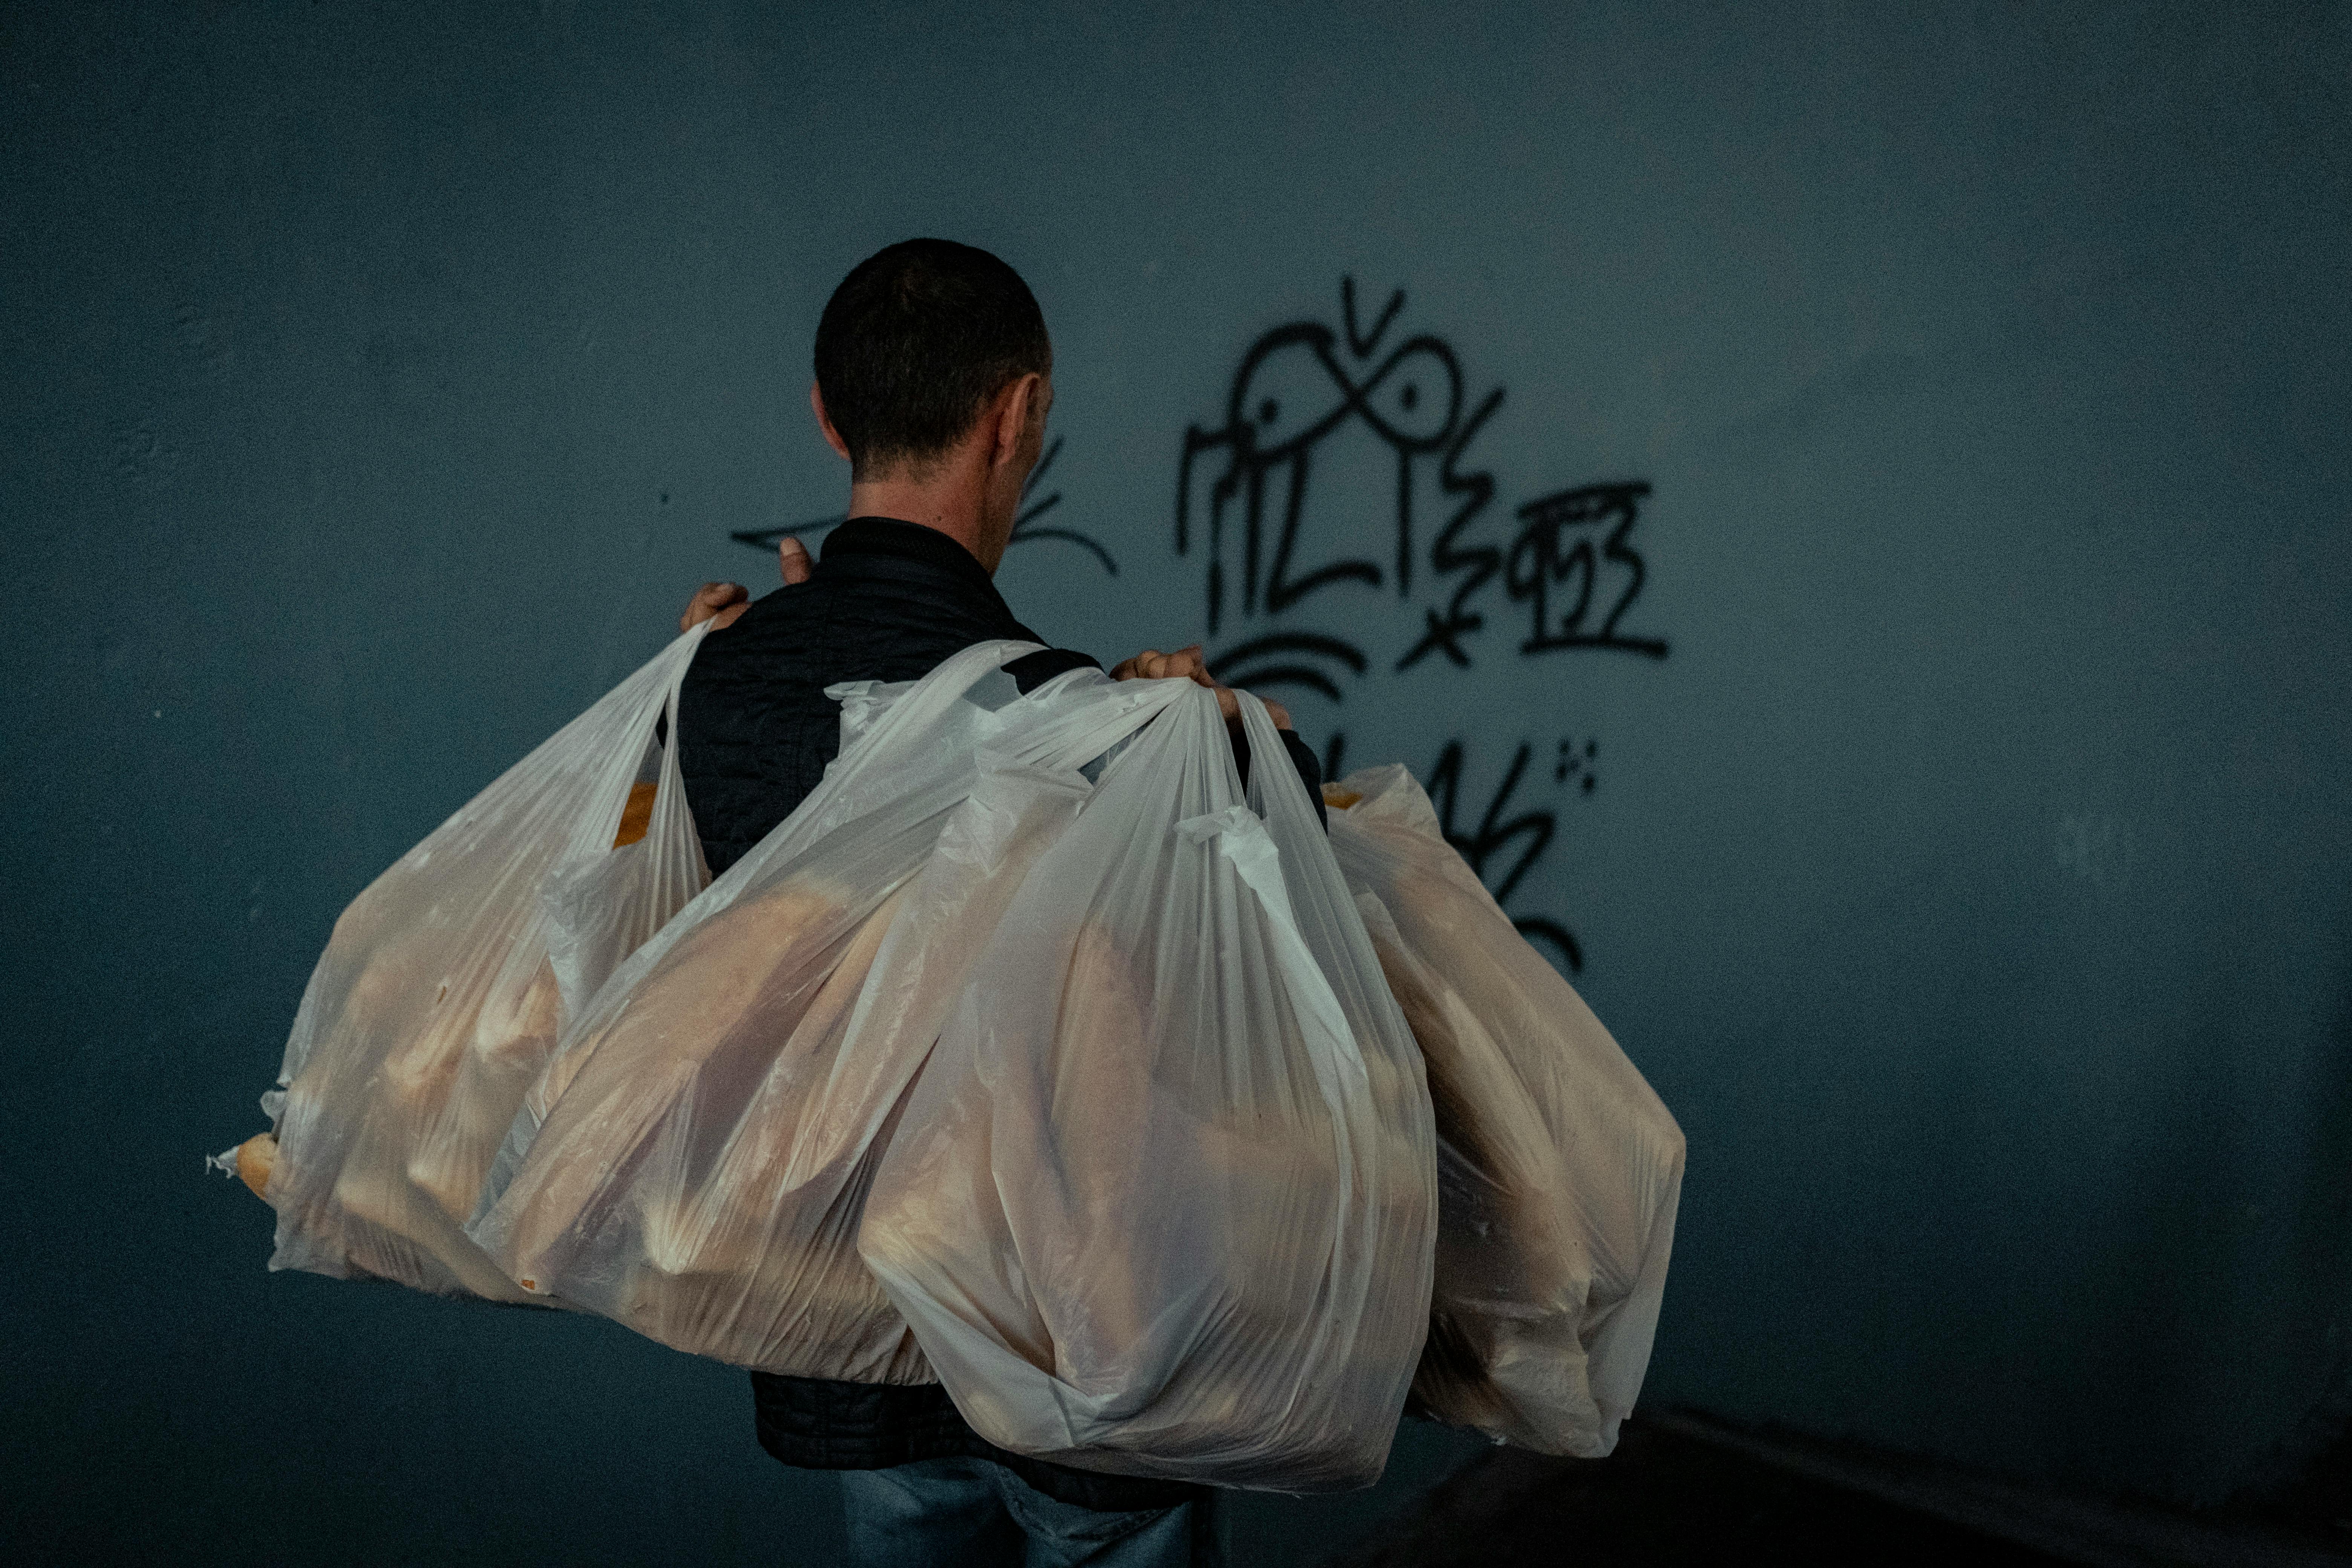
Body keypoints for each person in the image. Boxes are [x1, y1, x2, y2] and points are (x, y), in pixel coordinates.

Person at [670, 239, 1326, 1568]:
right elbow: (1288, 889)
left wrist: (796, 669)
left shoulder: (711, 687)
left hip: (845, 1356)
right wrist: (1226, 736)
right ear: (1019, 412)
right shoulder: (1084, 724)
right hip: (1071, 1365)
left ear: (826, 412)